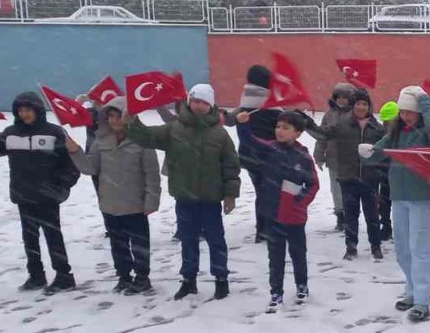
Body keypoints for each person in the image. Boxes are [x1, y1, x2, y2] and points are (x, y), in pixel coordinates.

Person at [0, 92, 81, 294]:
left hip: (49, 196)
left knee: (52, 236)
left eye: (28, 110)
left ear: (37, 110)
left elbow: (73, 162)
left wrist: (62, 185)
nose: (24, 114)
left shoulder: (54, 132)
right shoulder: (11, 133)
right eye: (20, 110)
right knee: (29, 238)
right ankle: (36, 276)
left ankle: (64, 277)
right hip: (24, 194)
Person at [127, 83, 241, 301]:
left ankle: (221, 280)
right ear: (189, 102)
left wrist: (230, 194)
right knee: (188, 241)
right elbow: (147, 137)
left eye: (204, 102)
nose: (199, 106)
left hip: (210, 199)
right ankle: (188, 281)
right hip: (184, 197)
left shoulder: (220, 134)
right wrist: (132, 122)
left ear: (211, 106)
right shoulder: (174, 129)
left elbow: (231, 166)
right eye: (196, 101)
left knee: (216, 240)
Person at [362, 87, 430, 323]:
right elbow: (381, 151)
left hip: (421, 196)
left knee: (420, 248)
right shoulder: (396, 132)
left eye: (411, 112)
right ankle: (411, 289)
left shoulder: (427, 133)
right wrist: (368, 153)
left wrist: (424, 100)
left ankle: (422, 300)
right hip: (398, 195)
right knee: (402, 248)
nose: (406, 116)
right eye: (403, 112)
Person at [66, 96, 161, 295]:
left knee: (139, 244)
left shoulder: (142, 140)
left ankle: (142, 277)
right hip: (110, 204)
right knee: (118, 244)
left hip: (136, 204)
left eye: (119, 116)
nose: (115, 121)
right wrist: (75, 152)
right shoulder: (100, 141)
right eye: (110, 116)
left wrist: (151, 200)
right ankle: (124, 276)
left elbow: (152, 174)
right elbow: (90, 168)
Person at [236, 109, 319, 309]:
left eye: (286, 128)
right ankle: (276, 292)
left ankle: (302, 285)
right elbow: (249, 141)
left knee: (298, 254)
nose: (280, 131)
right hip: (273, 215)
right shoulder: (269, 149)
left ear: (297, 133)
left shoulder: (303, 158)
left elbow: (313, 184)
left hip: (295, 218)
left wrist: (300, 201)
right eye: (278, 126)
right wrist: (242, 124)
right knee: (275, 257)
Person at [312, 88, 385, 261]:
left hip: (370, 178)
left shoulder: (377, 128)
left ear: (369, 106)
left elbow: (386, 150)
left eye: (364, 104)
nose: (361, 107)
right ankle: (351, 247)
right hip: (348, 177)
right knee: (351, 215)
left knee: (372, 215)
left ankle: (376, 246)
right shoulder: (342, 125)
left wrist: (380, 167)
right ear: (353, 106)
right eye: (358, 104)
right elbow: (322, 133)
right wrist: (305, 123)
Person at [228, 64, 281, 243]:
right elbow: (280, 127)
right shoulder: (270, 104)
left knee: (262, 191)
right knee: (269, 192)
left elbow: (230, 120)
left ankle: (263, 229)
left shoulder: (246, 101)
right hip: (268, 155)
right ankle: (267, 229)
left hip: (249, 155)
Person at [315, 83, 356, 233]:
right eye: (338, 97)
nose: (341, 100)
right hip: (333, 159)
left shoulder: (355, 114)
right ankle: (340, 215)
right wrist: (319, 154)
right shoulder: (329, 114)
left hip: (351, 159)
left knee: (350, 189)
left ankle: (351, 215)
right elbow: (322, 136)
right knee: (336, 189)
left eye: (345, 98)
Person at [374, 101, 399, 241]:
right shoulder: (381, 133)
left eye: (390, 122)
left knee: (398, 203)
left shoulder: (404, 134)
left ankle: (394, 226)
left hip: (398, 174)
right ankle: (386, 226)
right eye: (386, 122)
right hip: (385, 172)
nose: (388, 125)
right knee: (384, 203)